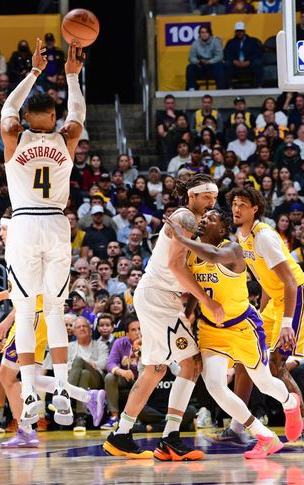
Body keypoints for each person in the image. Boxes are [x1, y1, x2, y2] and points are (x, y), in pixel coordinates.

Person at [103, 174, 222, 460]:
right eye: (207, 197)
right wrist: (206, 300)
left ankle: (121, 435)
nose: (212, 202)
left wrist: (190, 307)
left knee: (155, 369)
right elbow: (175, 266)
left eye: (215, 197)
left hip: (157, 295)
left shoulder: (189, 219)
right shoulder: (187, 219)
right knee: (191, 364)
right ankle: (170, 437)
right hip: (158, 297)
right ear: (193, 196)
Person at [167, 208, 302, 459]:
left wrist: (181, 238)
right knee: (215, 385)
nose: (203, 219)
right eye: (203, 217)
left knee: (264, 382)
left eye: (211, 218)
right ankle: (264, 436)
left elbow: (214, 255)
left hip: (243, 326)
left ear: (221, 229)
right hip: (211, 329)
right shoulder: (193, 252)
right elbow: (199, 288)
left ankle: (289, 401)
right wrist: (189, 312)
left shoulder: (232, 250)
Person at [0, 38, 85, 425]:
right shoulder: (65, 139)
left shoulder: (15, 137)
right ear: (54, 117)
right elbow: (79, 112)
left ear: (28, 116)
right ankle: (64, 391)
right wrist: (71, 75)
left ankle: (32, 392)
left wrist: (34, 70)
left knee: (23, 310)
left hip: (23, 222)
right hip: (55, 221)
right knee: (54, 308)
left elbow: (6, 109)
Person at [0, 218, 104, 448]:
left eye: (3, 229)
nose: (0, 233)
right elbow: (19, 290)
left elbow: (27, 293)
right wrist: (1, 297)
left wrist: (7, 320)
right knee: (30, 376)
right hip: (38, 317)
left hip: (34, 317)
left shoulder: (22, 250)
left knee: (6, 376)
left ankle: (25, 429)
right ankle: (88, 397)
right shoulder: (18, 251)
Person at [226, 187, 304, 449]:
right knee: (245, 358)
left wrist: (285, 325)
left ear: (255, 208)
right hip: (275, 301)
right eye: (234, 204)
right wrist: (258, 313)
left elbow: (290, 282)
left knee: (275, 366)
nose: (237, 209)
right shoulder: (241, 235)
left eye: (243, 205)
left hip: (297, 296)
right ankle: (237, 427)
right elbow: (266, 281)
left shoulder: (265, 237)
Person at [185, 25, 227, 90]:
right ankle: (192, 89)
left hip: (213, 66)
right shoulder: (195, 43)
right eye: (202, 32)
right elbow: (191, 57)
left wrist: (209, 61)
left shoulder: (216, 41)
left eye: (206, 32)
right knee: (190, 67)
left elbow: (220, 56)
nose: (204, 34)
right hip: (201, 66)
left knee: (220, 66)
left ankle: (220, 90)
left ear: (210, 33)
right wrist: (198, 61)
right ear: (199, 34)